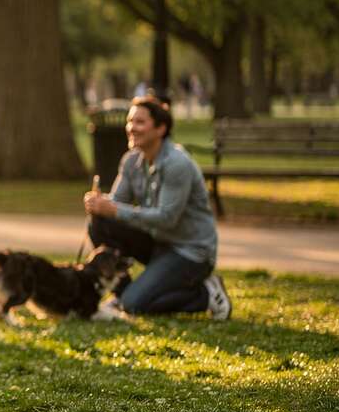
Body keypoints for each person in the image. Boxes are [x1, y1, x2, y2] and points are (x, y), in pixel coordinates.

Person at [83, 97, 232, 320]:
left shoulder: (177, 164)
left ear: (161, 128)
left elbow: (167, 218)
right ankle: (122, 294)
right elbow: (115, 205)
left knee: (135, 304)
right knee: (100, 223)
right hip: (158, 242)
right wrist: (99, 203)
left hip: (190, 252)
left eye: (140, 122)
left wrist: (112, 208)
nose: (132, 128)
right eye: (130, 121)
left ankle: (206, 294)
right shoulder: (131, 160)